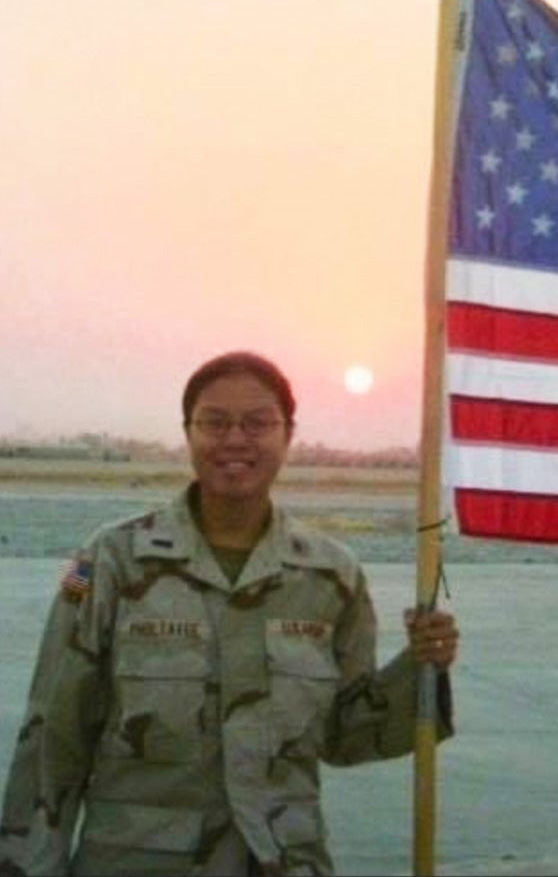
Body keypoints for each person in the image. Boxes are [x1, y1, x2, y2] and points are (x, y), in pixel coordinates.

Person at [0, 351, 459, 877]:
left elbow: (343, 735)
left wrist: (419, 667)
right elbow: (54, 734)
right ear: (188, 433)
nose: (235, 440)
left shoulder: (332, 577)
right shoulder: (110, 560)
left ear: (288, 434)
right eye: (214, 422)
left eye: (258, 423)